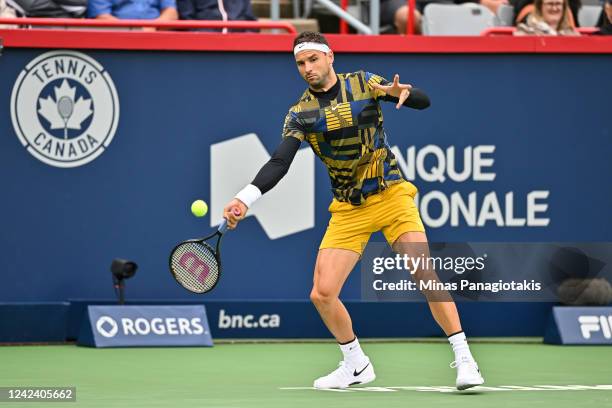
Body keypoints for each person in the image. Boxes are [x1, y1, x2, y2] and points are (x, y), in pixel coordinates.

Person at [222, 31, 484, 390]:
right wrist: (245, 198)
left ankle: (465, 357)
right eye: (300, 63)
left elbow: (421, 100)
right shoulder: (300, 113)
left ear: (330, 56)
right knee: (322, 293)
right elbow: (280, 161)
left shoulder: (364, 83)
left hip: (391, 194)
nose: (307, 68)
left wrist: (401, 93)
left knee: (424, 273)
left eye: (313, 59)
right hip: (349, 208)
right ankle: (356, 363)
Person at [88, 0, 178, 30]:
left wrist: (151, 27)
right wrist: (132, 30)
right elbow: (101, 17)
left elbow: (171, 14)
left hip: (155, 36)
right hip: (116, 40)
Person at [514, 0, 579, 35]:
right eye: (550, 4)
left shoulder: (572, 34)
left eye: (558, 4)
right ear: (540, 7)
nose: (554, 8)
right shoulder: (525, 34)